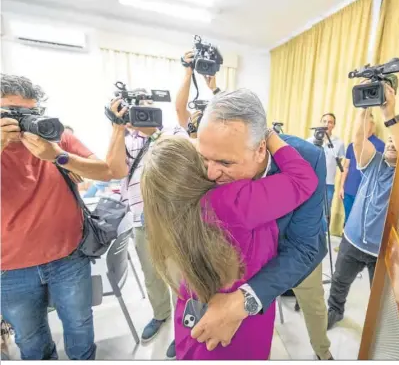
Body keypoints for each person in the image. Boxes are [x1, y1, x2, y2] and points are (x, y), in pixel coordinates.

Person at [141, 127, 318, 359]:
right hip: (235, 331)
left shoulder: (170, 215)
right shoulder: (231, 202)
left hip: (193, 323)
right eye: (204, 156)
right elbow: (303, 179)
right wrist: (269, 135)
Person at [189, 89, 333, 360]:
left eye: (225, 162)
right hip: (236, 260)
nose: (210, 173)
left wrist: (244, 300)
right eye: (205, 158)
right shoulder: (208, 155)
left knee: (313, 305)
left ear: (260, 149)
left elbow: (304, 247)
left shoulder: (308, 159)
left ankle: (323, 351)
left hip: (293, 255)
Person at [1, 74, 115, 360]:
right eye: (10, 114)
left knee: (79, 326)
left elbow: (105, 171)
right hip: (10, 268)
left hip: (68, 256)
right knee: (30, 340)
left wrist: (58, 155)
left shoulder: (55, 135)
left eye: (29, 113)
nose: (20, 122)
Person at [105, 91, 188, 359]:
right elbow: (114, 169)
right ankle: (161, 314)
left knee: (178, 277)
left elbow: (185, 159)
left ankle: (181, 326)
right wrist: (117, 127)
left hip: (174, 218)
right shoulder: (126, 139)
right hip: (142, 218)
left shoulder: (174, 131)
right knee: (152, 274)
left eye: (149, 108)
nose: (144, 114)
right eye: (137, 110)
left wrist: (152, 133)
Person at [327, 82, 399, 330]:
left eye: (396, 143)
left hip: (379, 251)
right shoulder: (374, 162)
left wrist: (390, 114)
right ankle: (335, 311)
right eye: (389, 142)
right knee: (339, 281)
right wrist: (364, 107)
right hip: (351, 240)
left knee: (379, 297)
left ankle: (376, 331)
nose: (391, 145)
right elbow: (359, 140)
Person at [338, 111, 385, 224]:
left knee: (360, 223)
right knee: (348, 220)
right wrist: (341, 187)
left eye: (366, 121)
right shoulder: (352, 145)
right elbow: (346, 167)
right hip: (349, 190)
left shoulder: (381, 146)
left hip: (366, 193)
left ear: (372, 125)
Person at [308, 113, 345, 232]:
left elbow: (339, 162)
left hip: (328, 184)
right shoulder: (310, 141)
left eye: (330, 122)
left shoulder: (339, 143)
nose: (326, 124)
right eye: (324, 121)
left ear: (333, 125)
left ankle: (322, 237)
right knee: (308, 209)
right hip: (310, 183)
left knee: (325, 212)